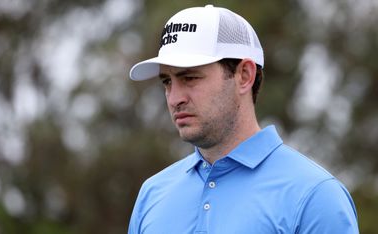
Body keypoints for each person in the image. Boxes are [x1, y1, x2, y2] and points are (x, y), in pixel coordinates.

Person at [128, 5, 359, 234]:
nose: (174, 98)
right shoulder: (152, 193)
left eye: (190, 78)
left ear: (244, 75)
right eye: (167, 82)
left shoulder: (315, 196)